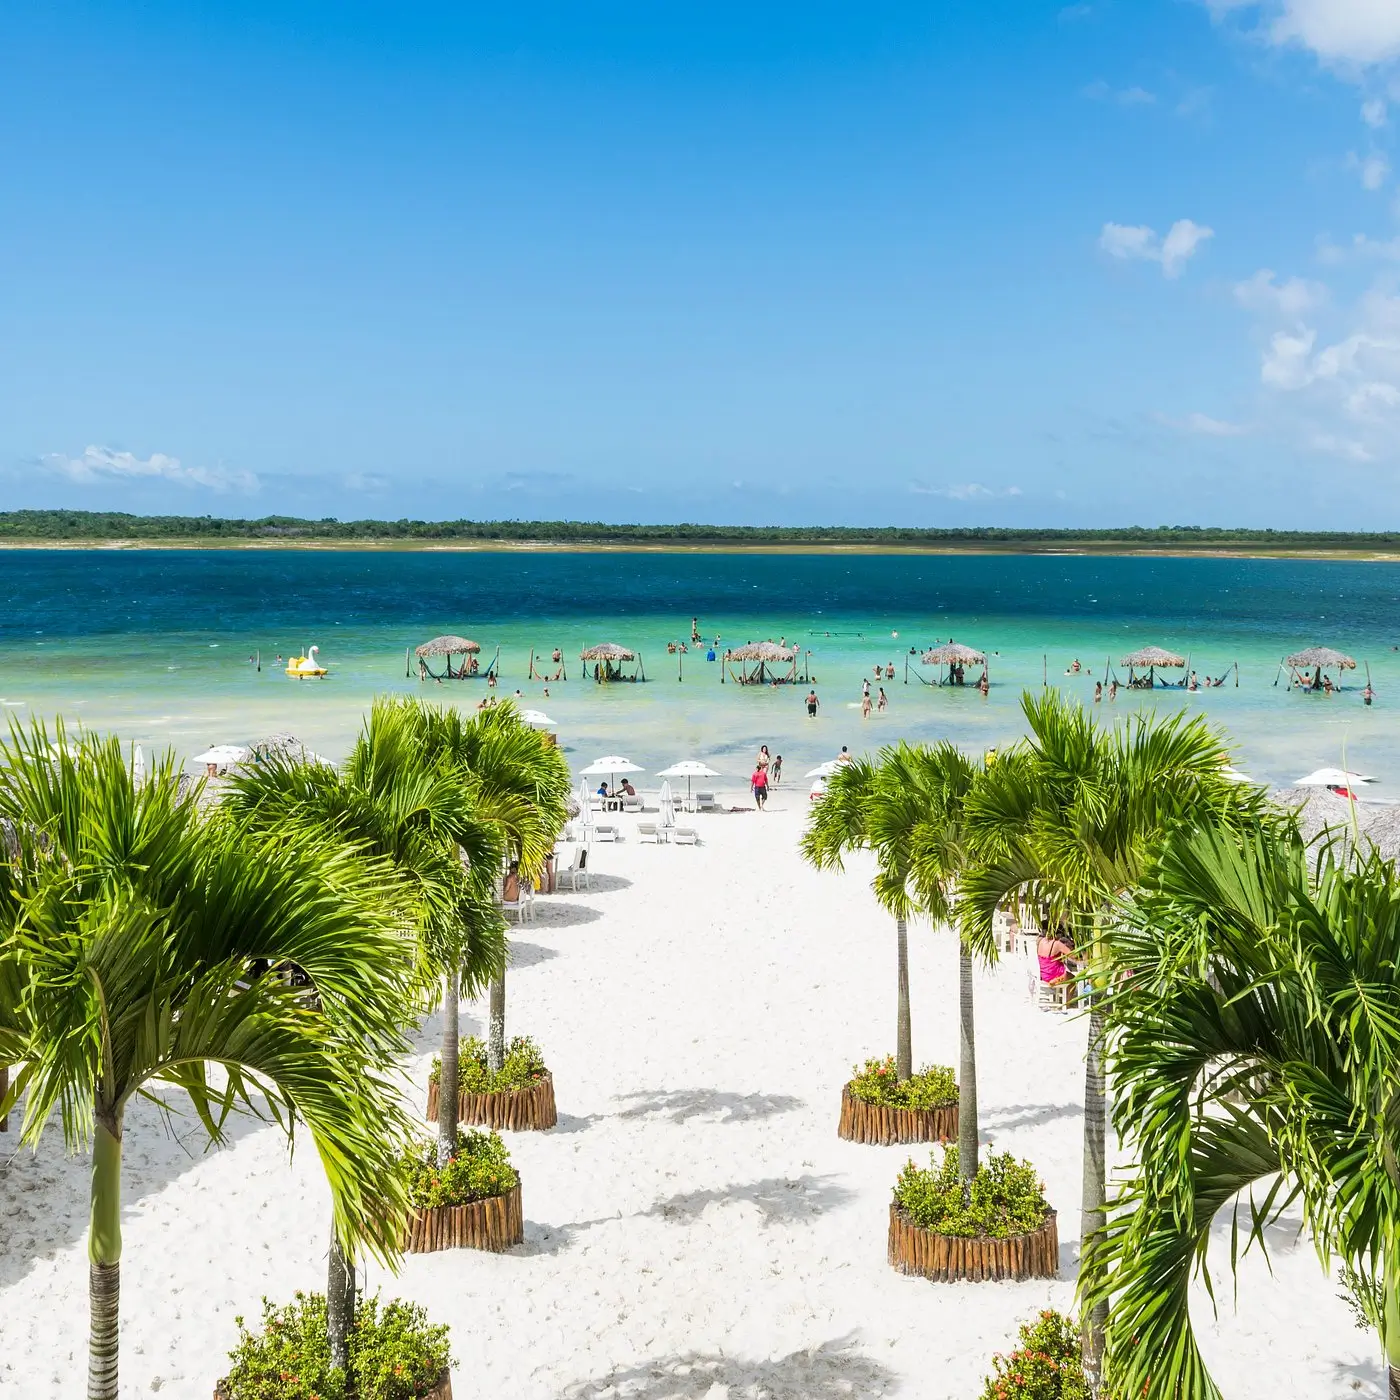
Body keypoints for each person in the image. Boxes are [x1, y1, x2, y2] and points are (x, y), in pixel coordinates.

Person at [1038, 922, 1076, 991]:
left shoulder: (1041, 941)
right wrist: (1070, 947)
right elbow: (1074, 956)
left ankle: (1057, 985)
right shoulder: (1057, 944)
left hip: (1042, 975)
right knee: (1073, 979)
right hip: (1053, 975)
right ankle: (1068, 999)